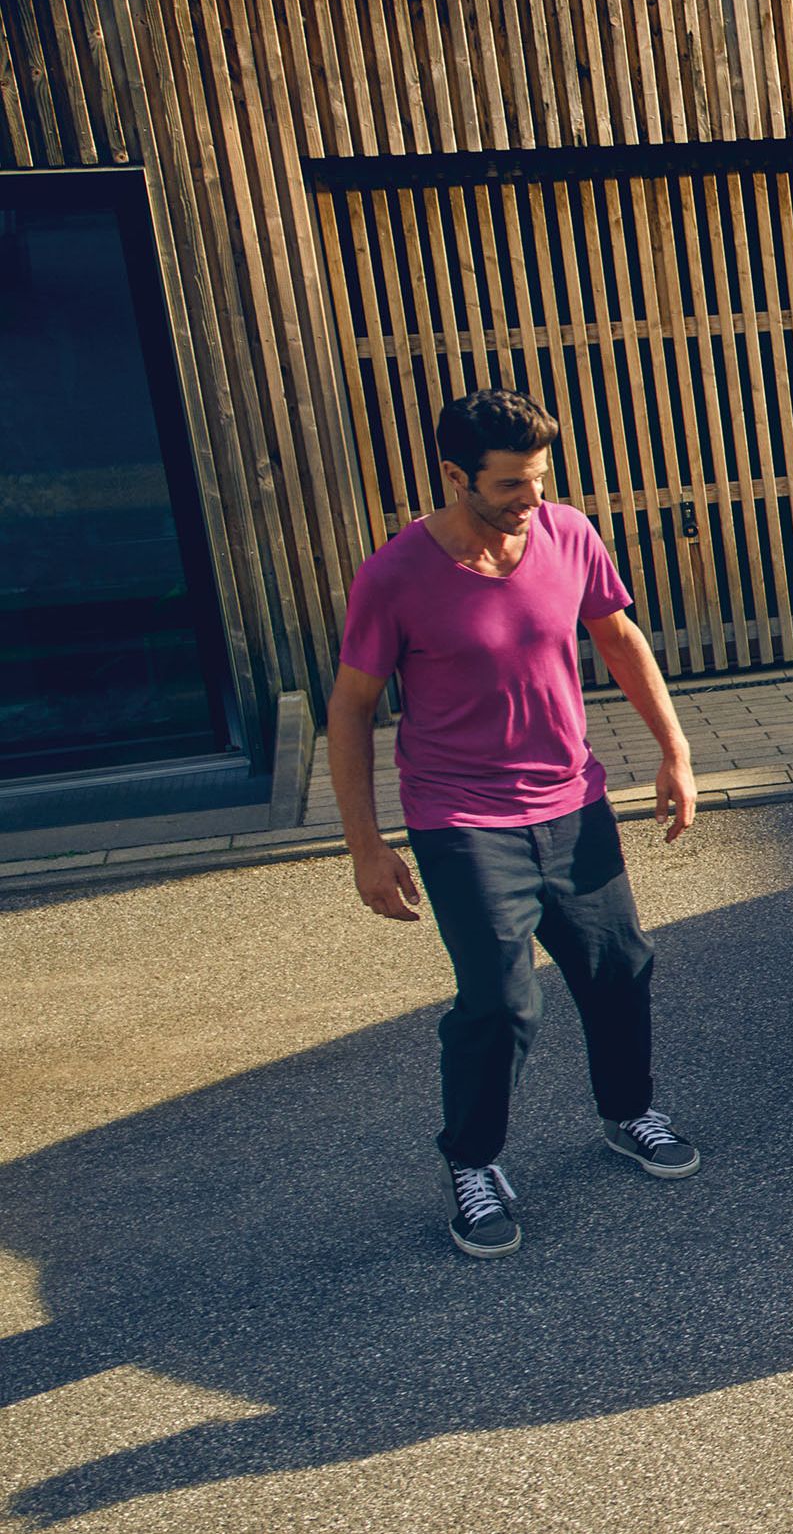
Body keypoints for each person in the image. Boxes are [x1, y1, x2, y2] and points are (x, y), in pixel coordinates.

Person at [330, 388, 703, 1259]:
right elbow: (351, 708)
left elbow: (618, 638)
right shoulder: (394, 575)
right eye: (509, 485)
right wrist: (366, 844)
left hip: (572, 800)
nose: (530, 500)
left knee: (619, 967)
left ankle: (627, 1112)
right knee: (500, 1001)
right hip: (460, 817)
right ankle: (473, 1161)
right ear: (455, 475)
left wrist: (675, 751)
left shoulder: (568, 532)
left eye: (538, 479)